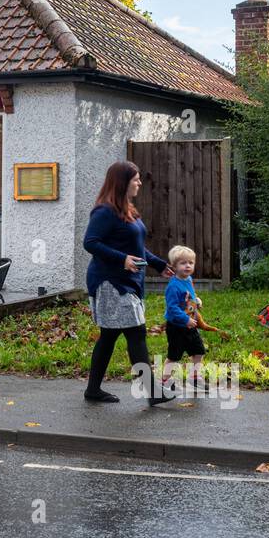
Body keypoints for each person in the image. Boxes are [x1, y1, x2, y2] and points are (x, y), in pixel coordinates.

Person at [82, 160, 175, 406]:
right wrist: (121, 259)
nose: (139, 183)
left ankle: (93, 390)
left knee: (109, 336)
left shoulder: (126, 210)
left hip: (128, 281)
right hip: (111, 283)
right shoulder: (104, 211)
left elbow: (135, 247)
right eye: (135, 179)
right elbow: (90, 242)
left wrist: (157, 263)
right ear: (123, 182)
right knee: (136, 332)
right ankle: (153, 393)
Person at [161, 245, 207, 393]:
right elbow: (172, 308)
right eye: (183, 263)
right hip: (177, 327)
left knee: (198, 351)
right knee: (174, 356)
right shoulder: (173, 286)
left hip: (190, 324)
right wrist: (185, 320)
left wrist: (196, 301)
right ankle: (165, 380)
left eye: (190, 263)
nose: (188, 266)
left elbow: (188, 297)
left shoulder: (188, 279)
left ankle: (194, 377)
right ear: (174, 266)